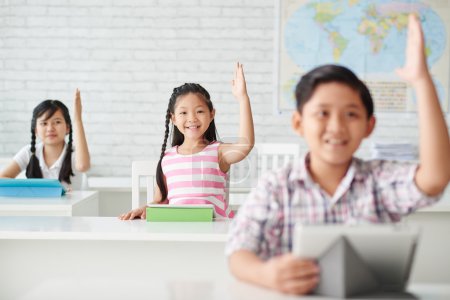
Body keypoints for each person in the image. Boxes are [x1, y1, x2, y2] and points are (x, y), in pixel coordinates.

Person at [226, 15, 450, 295]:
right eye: (322, 113)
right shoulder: (276, 187)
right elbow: (238, 252)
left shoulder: (377, 181)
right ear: (298, 123)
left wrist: (421, 80)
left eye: (351, 114)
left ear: (369, 126)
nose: (336, 126)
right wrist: (264, 273)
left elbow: (435, 178)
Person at [119, 63, 254, 220]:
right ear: (174, 119)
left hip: (214, 233)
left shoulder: (218, 152)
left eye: (200, 111)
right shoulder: (167, 159)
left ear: (211, 114)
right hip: (179, 233)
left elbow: (246, 145)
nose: (192, 118)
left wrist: (243, 98)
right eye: (183, 112)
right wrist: (144, 209)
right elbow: (160, 201)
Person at [0, 89, 91, 190]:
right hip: (37, 206)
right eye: (44, 123)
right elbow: (2, 178)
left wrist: (77, 119)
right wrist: (29, 188)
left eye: (57, 122)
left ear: (67, 128)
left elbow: (83, 166)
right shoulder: (29, 152)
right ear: (35, 130)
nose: (50, 128)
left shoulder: (75, 154)